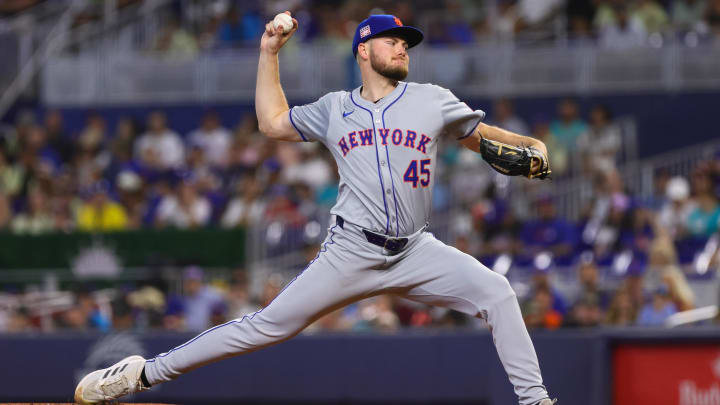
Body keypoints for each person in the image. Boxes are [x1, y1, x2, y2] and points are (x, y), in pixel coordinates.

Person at [74, 12, 556, 405]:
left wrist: (531, 143)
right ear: (364, 50)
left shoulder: (433, 100)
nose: (403, 47)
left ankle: (535, 402)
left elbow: (485, 139)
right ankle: (143, 373)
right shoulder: (334, 108)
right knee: (265, 327)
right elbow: (273, 122)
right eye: (392, 41)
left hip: (416, 249)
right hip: (351, 250)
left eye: (406, 42)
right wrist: (269, 54)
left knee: (497, 294)